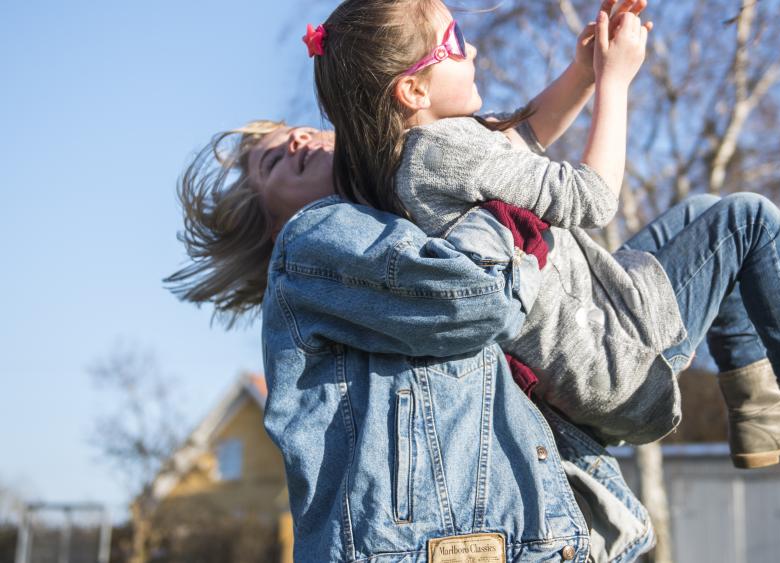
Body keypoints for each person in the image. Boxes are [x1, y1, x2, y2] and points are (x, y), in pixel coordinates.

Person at [308, 0, 780, 478]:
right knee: (747, 222)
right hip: (616, 365)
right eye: (454, 42)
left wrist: (586, 70)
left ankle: (761, 411)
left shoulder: (416, 162)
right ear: (413, 88)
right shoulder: (441, 151)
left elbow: (518, 140)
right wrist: (616, 85)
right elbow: (591, 199)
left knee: (712, 213)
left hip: (601, 333)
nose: (472, 50)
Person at [165, 121, 655, 561]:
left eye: (302, 129)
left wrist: (584, 75)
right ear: (272, 226)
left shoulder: (396, 232)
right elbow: (482, 299)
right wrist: (498, 210)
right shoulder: (308, 239)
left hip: (495, 538)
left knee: (721, 223)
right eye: (272, 161)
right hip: (413, 548)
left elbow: (508, 133)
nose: (298, 140)